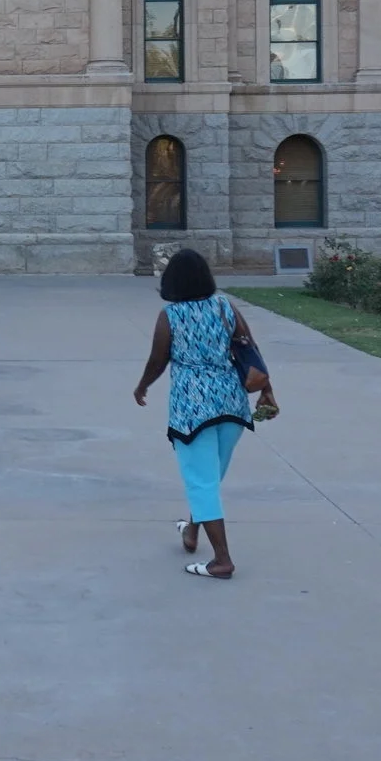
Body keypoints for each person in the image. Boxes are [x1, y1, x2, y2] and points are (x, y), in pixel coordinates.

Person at [131, 247, 277, 579]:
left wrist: (142, 386)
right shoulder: (225, 306)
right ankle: (192, 530)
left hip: (192, 409)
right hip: (232, 404)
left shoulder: (171, 316)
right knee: (208, 478)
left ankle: (222, 560)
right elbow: (250, 349)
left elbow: (158, 360)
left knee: (201, 482)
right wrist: (267, 389)